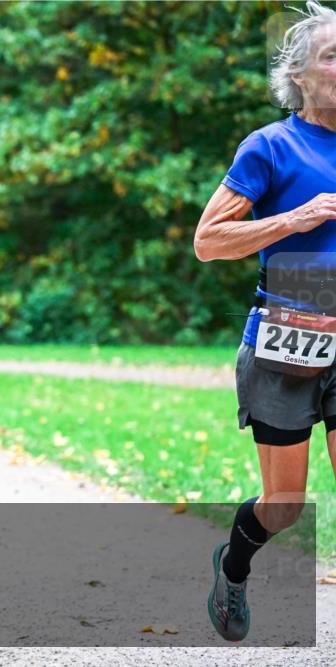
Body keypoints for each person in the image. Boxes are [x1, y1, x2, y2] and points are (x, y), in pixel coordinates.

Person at [193, 0, 336, 642]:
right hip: (287, 339)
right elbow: (208, 241)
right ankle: (234, 564)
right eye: (333, 56)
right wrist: (294, 218)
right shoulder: (270, 146)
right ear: (299, 74)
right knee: (284, 505)